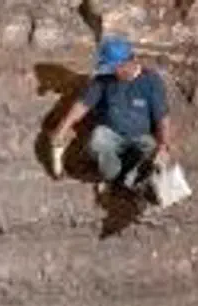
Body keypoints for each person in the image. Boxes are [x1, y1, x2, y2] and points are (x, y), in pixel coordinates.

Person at [50, 35, 174, 195]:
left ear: (129, 62)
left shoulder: (151, 81)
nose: (112, 71)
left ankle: (134, 184)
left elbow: (162, 117)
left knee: (155, 158)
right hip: (111, 134)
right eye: (110, 67)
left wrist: (164, 145)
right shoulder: (104, 79)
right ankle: (112, 177)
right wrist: (63, 127)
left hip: (141, 137)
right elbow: (82, 105)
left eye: (115, 68)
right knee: (98, 139)